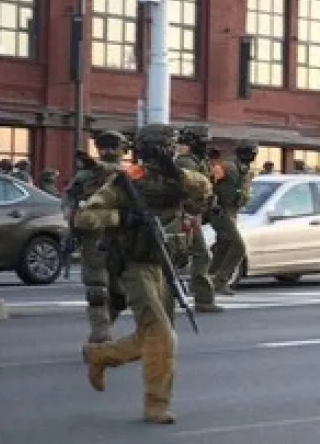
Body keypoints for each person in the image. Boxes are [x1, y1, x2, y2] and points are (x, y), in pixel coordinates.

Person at [79, 124, 214, 424]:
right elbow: (87, 217)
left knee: (150, 337)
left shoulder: (180, 179)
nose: (171, 152)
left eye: (173, 147)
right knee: (163, 336)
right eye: (167, 147)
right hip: (136, 265)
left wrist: (177, 174)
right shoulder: (129, 180)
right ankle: (155, 405)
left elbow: (205, 190)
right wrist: (125, 217)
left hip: (166, 265)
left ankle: (99, 356)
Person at [65, 132, 130, 342]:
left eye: (114, 147)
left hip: (121, 236)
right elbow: (70, 199)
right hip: (95, 236)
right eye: (105, 147)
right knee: (97, 287)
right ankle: (100, 332)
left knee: (121, 295)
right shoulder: (85, 176)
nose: (109, 152)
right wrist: (73, 220)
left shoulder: (127, 175)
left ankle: (104, 326)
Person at [174, 126, 223, 313]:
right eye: (203, 141)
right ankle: (203, 300)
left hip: (191, 215)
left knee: (189, 256)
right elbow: (186, 191)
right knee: (197, 255)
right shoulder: (187, 163)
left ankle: (202, 298)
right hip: (185, 216)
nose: (206, 145)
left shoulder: (196, 162)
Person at [209, 141, 257, 295]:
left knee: (223, 245)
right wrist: (213, 202)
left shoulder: (246, 172)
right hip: (221, 211)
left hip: (231, 212)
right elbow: (208, 182)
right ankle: (220, 280)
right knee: (238, 247)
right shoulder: (228, 167)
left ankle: (207, 280)